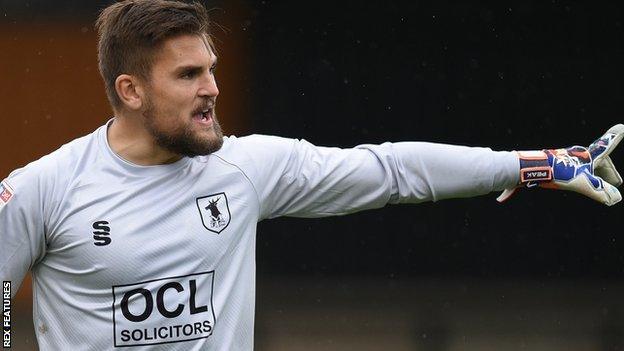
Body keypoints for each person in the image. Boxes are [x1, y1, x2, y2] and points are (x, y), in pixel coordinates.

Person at [0, 0, 622, 350]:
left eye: (211, 70)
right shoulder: (41, 190)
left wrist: (530, 164)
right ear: (130, 91)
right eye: (187, 75)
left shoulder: (245, 168)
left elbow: (391, 170)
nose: (212, 88)